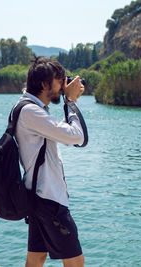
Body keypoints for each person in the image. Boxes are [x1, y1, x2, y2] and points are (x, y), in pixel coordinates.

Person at [15, 56, 85, 267]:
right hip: (49, 200)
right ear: (44, 84)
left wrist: (68, 102)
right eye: (59, 80)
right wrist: (70, 102)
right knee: (75, 262)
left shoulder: (28, 108)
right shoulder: (31, 112)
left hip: (37, 196)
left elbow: (61, 133)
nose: (63, 85)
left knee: (36, 258)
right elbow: (76, 136)